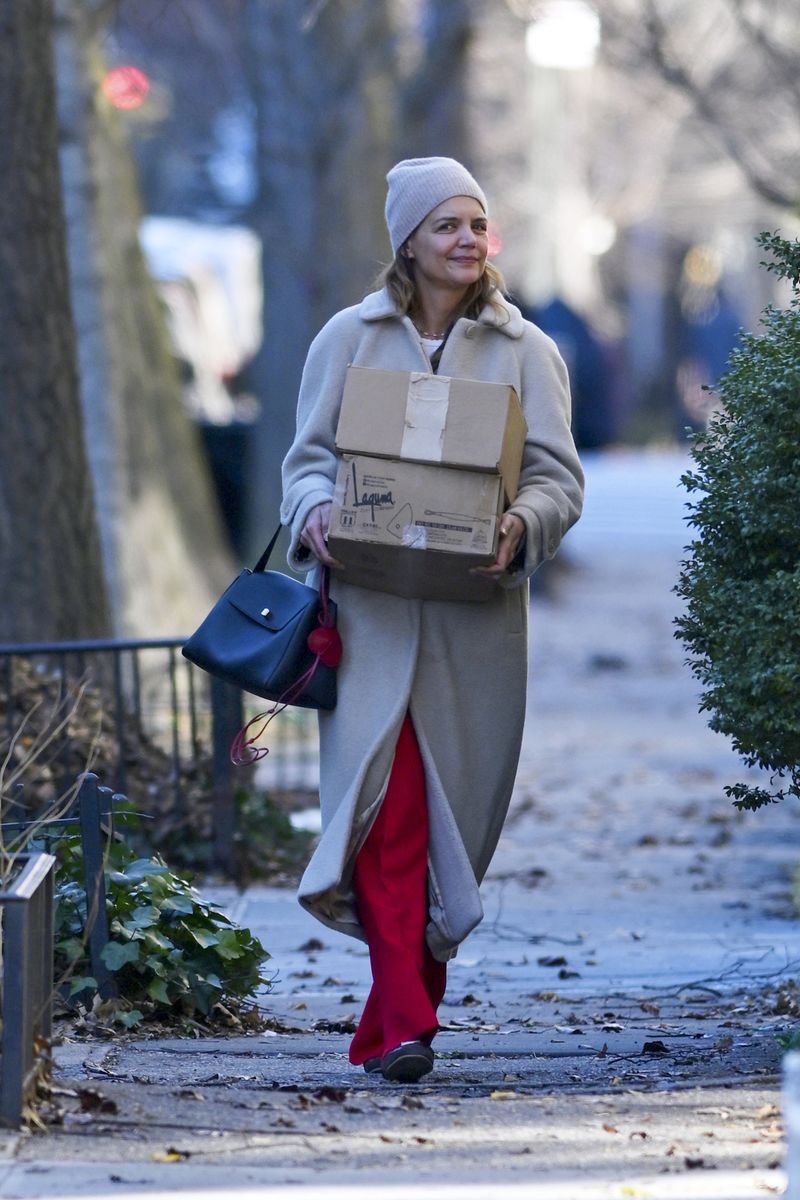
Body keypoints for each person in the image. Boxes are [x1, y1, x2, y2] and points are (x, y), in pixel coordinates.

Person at [281, 157, 584, 1083]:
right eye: (445, 224)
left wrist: (520, 527)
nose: (465, 240)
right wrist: (316, 512)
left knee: (454, 834)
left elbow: (558, 482)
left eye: (475, 224)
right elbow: (305, 464)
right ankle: (407, 1025)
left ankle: (390, 1025)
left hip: (473, 631)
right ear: (407, 240)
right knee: (386, 818)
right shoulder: (347, 338)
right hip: (369, 621)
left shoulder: (528, 351)